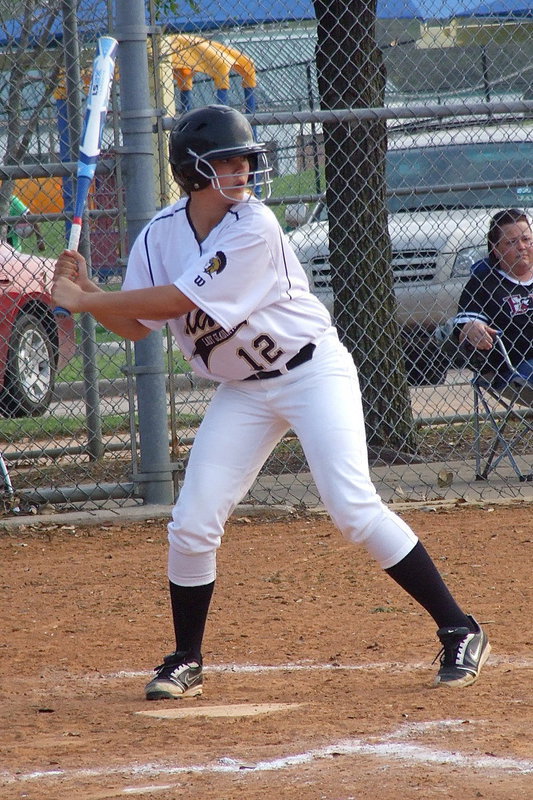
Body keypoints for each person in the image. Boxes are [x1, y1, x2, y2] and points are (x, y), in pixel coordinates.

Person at [52, 104, 490, 700]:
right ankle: (186, 658)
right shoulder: (159, 236)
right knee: (192, 521)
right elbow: (136, 324)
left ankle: (460, 628)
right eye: (226, 162)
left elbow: (176, 302)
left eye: (244, 160)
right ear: (192, 172)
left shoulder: (253, 227)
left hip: (311, 372)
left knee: (352, 508)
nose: (241, 172)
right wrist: (92, 291)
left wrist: (80, 302)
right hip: (244, 391)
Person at [454, 208, 533, 386]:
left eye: (526, 239)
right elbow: (463, 328)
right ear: (496, 250)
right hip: (515, 367)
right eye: (511, 242)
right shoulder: (483, 283)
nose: (522, 247)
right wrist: (472, 328)